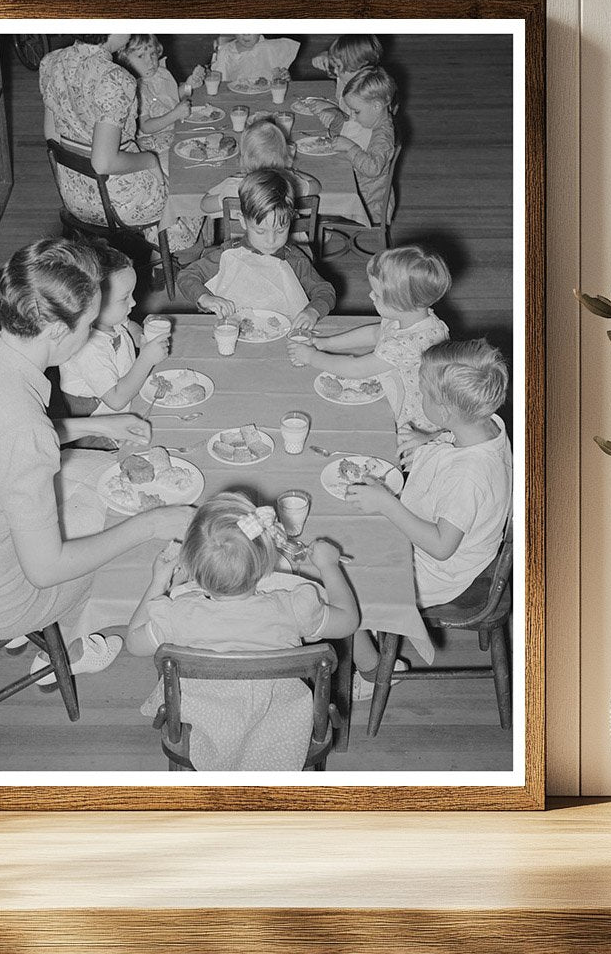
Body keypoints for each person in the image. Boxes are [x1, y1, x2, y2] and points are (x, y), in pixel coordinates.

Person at [0, 238, 192, 675]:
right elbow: (47, 569)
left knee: (98, 480)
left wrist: (97, 426)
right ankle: (73, 645)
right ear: (60, 332)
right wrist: (151, 525)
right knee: (123, 531)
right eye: (87, 326)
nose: (90, 334)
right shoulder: (22, 427)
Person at [126, 492, 359, 771]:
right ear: (265, 564)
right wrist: (329, 566)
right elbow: (349, 622)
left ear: (190, 568)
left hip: (205, 719)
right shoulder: (292, 607)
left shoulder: (178, 614)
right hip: (281, 722)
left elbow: (133, 642)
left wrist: (157, 582)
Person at [342, 339, 513, 700]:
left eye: (422, 392)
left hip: (438, 572)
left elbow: (440, 546)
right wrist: (430, 436)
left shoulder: (469, 477)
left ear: (447, 409)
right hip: (457, 543)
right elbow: (459, 431)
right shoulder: (488, 423)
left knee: (341, 584)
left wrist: (387, 504)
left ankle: (371, 668)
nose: (418, 397)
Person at [286, 246, 451, 453]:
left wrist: (312, 356)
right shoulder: (413, 318)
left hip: (418, 429)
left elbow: (355, 369)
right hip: (401, 400)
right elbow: (375, 334)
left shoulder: (408, 344)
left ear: (404, 303)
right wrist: (326, 343)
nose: (370, 296)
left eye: (379, 295)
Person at [38, 34, 196, 251]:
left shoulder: (52, 61)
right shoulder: (114, 78)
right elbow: (103, 163)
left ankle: (150, 252)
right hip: (118, 201)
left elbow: (52, 136)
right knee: (193, 175)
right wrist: (149, 161)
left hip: (74, 195)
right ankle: (175, 253)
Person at [178, 169, 335, 333]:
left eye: (280, 230)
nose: (271, 240)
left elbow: (325, 291)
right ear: (243, 222)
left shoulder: (294, 259)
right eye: (261, 231)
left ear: (291, 221)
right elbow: (187, 276)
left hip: (284, 334)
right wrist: (205, 298)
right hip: (234, 332)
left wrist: (313, 311)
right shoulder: (229, 253)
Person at [55, 242, 170, 450]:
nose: (133, 303)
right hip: (101, 433)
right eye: (125, 298)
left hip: (126, 404)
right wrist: (145, 359)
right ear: (93, 303)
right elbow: (115, 400)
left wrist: (139, 336)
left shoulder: (108, 318)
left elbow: (128, 325)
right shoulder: (87, 348)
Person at [317, 65, 398, 222]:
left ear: (376, 106)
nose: (353, 116)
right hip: (357, 185)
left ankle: (320, 229)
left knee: (316, 192)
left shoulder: (383, 136)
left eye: (356, 111)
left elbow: (372, 168)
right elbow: (350, 127)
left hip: (367, 203)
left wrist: (350, 147)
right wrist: (336, 119)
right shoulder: (374, 120)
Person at [199, 119, 321, 216]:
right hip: (286, 244)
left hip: (243, 245)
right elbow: (315, 185)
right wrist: (292, 171)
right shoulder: (290, 183)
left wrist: (223, 184)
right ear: (284, 155)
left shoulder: (235, 186)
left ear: (243, 159)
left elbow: (204, 205)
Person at [116, 34, 205, 160]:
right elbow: (145, 127)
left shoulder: (161, 74)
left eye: (152, 54)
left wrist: (189, 85)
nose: (150, 61)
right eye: (141, 56)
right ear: (125, 59)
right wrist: (175, 114)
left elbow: (172, 97)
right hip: (153, 145)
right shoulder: (134, 87)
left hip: (174, 131)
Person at [311, 34, 384, 107]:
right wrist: (328, 56)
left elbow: (352, 117)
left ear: (357, 66)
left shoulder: (365, 96)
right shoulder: (351, 77)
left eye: (338, 66)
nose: (336, 71)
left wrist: (335, 112)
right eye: (335, 65)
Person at [211, 34, 300, 84]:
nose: (246, 33)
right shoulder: (226, 51)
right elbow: (218, 83)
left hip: (267, 100)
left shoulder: (272, 48)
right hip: (235, 100)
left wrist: (286, 80)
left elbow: (283, 82)